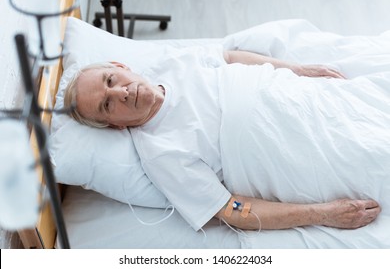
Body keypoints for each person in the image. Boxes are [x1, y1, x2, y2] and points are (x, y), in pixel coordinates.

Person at [64, 48, 382, 232]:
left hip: (310, 100)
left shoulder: (176, 63)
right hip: (306, 152)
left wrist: (297, 69)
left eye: (111, 80)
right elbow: (231, 209)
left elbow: (229, 57)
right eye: (108, 104)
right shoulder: (160, 155)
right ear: (115, 126)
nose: (121, 92)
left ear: (121, 67)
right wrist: (324, 214)